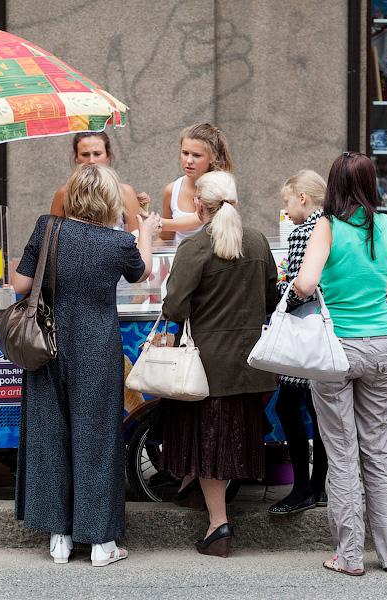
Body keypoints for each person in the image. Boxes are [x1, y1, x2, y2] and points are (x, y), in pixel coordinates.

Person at [13, 164, 160, 567]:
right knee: (97, 439)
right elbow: (142, 273)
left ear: (73, 195)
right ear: (110, 201)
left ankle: (58, 538)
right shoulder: (117, 244)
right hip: (96, 347)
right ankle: (101, 543)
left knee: (50, 433)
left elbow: (20, 285)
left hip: (48, 344)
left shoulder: (48, 228)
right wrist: (144, 232)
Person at [293, 152, 387, 576]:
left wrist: (299, 284)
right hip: (380, 345)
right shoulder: (385, 226)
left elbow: (306, 282)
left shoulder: (326, 226)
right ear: (371, 183)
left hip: (336, 350)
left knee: (342, 453)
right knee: (377, 451)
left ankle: (348, 556)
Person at [160, 170, 278, 557]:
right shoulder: (259, 242)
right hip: (252, 365)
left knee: (209, 449)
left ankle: (218, 523)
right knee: (232, 443)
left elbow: (175, 308)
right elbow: (271, 300)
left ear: (199, 205)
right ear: (235, 202)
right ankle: (215, 514)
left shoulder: (194, 249)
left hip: (206, 368)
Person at [268, 169, 329, 516]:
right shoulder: (335, 226)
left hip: (303, 335)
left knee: (288, 407)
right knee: (319, 410)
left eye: (287, 202)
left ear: (302, 198)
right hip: (328, 333)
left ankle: (302, 487)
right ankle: (320, 485)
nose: (287, 211)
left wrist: (276, 288)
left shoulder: (303, 232)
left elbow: (297, 288)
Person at [49, 132, 144, 232]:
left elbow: (135, 238)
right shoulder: (64, 193)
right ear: (76, 158)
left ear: (108, 156)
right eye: (85, 154)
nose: (91, 160)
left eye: (97, 154)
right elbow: (53, 237)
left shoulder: (125, 192)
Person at [158, 123, 234, 242]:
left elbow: (199, 218)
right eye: (185, 153)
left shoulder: (222, 187)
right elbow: (165, 239)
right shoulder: (172, 189)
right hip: (181, 258)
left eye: (196, 155)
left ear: (213, 157)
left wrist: (153, 222)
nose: (188, 160)